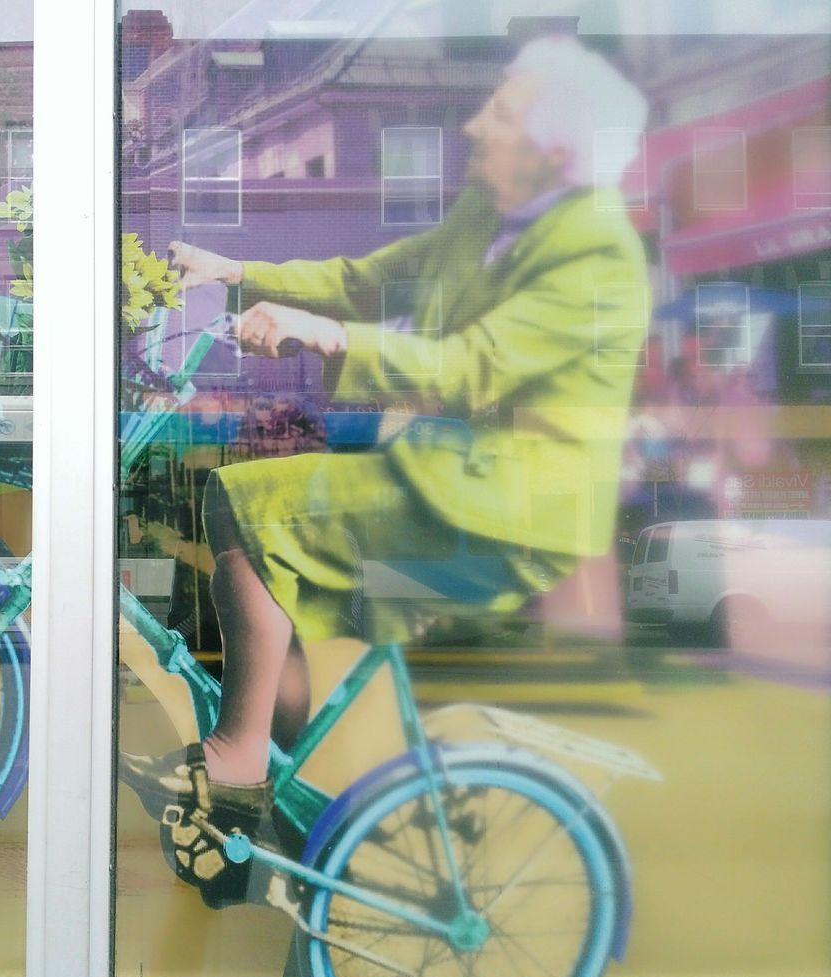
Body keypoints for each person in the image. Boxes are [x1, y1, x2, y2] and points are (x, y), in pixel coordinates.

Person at [119, 35, 651, 904]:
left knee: (248, 504)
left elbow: (476, 364)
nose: (476, 123)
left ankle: (238, 757)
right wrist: (238, 272)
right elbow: (365, 276)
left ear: (557, 148)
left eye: (502, 111)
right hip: (455, 483)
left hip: (509, 514)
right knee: (263, 541)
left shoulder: (594, 251)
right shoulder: (486, 213)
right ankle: (255, 798)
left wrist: (321, 334)